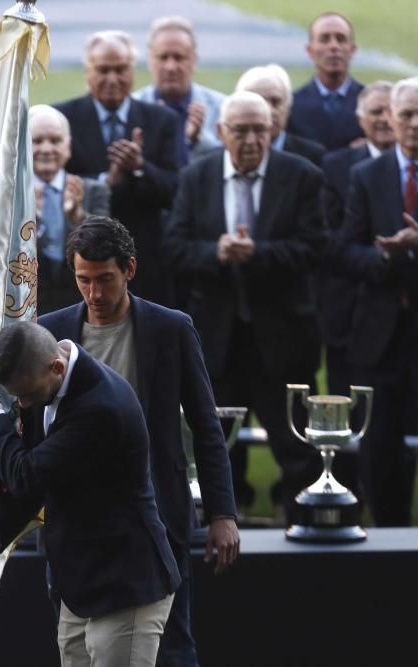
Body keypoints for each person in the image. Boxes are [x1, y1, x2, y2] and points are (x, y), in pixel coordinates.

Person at [39, 218, 239, 667]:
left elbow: (206, 428)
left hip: (156, 520)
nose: (94, 294)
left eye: (104, 279)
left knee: (172, 647)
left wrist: (223, 513)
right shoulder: (50, 333)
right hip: (76, 526)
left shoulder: (171, 329)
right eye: (83, 280)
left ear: (129, 269)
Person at [0, 321, 180, 665]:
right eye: (17, 396)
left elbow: (25, 476)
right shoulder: (44, 380)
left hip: (126, 585)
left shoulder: (102, 407)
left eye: (26, 394)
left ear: (56, 366)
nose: (23, 403)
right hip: (79, 586)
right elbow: (35, 484)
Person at [165, 90, 325, 521]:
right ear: (222, 132)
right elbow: (175, 248)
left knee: (296, 450)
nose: (253, 139)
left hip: (283, 339)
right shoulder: (196, 177)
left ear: (273, 129)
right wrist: (216, 253)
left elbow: (315, 249)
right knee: (217, 447)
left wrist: (258, 253)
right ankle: (224, 534)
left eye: (261, 129)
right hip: (217, 344)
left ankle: (300, 532)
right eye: (242, 130)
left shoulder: (302, 175)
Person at [337, 76, 418, 527]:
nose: (415, 124)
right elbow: (344, 250)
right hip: (380, 336)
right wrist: (386, 256)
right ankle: (391, 542)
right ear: (390, 117)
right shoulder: (367, 175)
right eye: (406, 114)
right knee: (381, 450)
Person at [53, 30, 178, 306]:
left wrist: (139, 167)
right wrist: (104, 181)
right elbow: (53, 179)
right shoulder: (63, 119)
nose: (112, 78)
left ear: (133, 70)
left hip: (145, 265)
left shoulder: (162, 121)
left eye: (120, 69)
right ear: (88, 71)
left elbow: (176, 190)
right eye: (103, 70)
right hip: (83, 268)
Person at [317, 81, 394, 399]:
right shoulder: (336, 166)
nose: (385, 119)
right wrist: (382, 257)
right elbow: (325, 239)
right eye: (376, 111)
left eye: (393, 111)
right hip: (350, 316)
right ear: (360, 119)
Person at [29, 104, 109, 314]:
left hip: (81, 309)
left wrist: (77, 217)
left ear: (68, 146)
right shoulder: (10, 197)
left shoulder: (93, 191)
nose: (46, 149)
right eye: (36, 141)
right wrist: (30, 221)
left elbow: (107, 246)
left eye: (55, 141)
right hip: (28, 309)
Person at [133, 15, 226, 167]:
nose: (171, 67)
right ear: (150, 61)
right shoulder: (132, 108)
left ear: (194, 60)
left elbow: (229, 164)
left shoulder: (222, 108)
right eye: (163, 57)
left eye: (179, 57)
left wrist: (198, 141)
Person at [288, 12, 364, 151]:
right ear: (310, 50)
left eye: (341, 39)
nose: (334, 46)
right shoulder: (292, 105)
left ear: (352, 50)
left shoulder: (370, 104)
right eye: (324, 39)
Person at [236, 64, 325, 167]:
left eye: (276, 102)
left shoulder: (312, 156)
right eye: (260, 102)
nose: (269, 111)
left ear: (288, 107)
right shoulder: (223, 157)